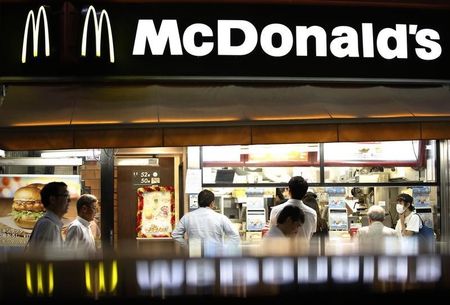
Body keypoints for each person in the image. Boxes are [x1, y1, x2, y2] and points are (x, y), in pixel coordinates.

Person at [172, 189, 240, 251]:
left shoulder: (187, 217)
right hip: (215, 254)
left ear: (198, 202)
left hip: (194, 253)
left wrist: (187, 246)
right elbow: (235, 236)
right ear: (212, 203)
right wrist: (226, 250)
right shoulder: (221, 218)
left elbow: (175, 235)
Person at [269, 176, 317, 241]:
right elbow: (310, 235)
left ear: (289, 190)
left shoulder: (276, 210)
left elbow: (273, 233)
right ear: (305, 193)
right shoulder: (312, 213)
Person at [26, 182, 70, 252]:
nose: (69, 200)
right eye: (66, 195)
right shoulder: (49, 225)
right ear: (52, 199)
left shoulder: (49, 223)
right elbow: (46, 259)